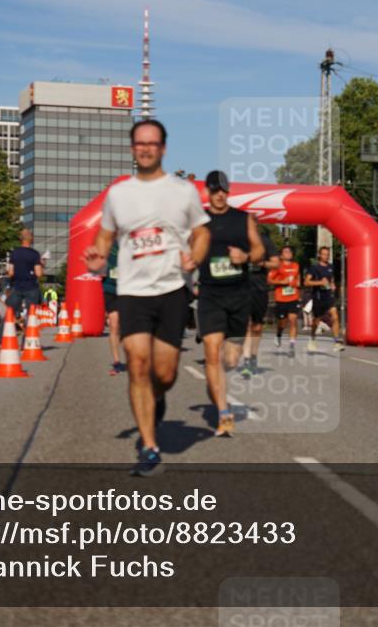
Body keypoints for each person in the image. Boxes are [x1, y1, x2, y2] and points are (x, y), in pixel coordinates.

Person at [85, 119, 210, 477]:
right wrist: (97, 256)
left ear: (163, 148)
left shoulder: (183, 191)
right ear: (132, 149)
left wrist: (195, 256)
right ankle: (150, 447)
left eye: (153, 143)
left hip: (172, 289)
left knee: (165, 373)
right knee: (137, 362)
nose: (146, 148)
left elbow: (201, 233)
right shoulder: (118, 195)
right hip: (133, 291)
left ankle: (158, 397)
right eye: (140, 143)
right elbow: (105, 239)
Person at [198, 170, 264, 436]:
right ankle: (224, 414)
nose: (219, 194)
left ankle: (216, 382)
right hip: (210, 294)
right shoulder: (198, 220)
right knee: (212, 352)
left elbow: (259, 250)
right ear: (208, 192)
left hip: (238, 295)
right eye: (214, 190)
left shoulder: (243, 219)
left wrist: (245, 256)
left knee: (232, 360)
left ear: (228, 191)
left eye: (223, 189)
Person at [241, 227, 280, 378]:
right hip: (242, 288)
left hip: (260, 288)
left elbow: (276, 264)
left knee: (257, 326)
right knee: (246, 325)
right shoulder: (239, 240)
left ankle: (253, 357)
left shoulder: (265, 242)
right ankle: (246, 361)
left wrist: (262, 263)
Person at [303, 246, 345, 352]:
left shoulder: (330, 267)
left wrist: (332, 286)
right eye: (324, 254)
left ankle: (336, 342)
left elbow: (331, 281)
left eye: (327, 254)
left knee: (335, 317)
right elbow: (306, 282)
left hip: (328, 297)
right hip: (318, 297)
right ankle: (312, 338)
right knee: (316, 321)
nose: (326, 256)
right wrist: (319, 283)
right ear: (319, 255)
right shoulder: (314, 268)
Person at [268, 245, 301, 358]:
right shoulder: (277, 266)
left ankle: (292, 345)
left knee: (293, 319)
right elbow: (269, 280)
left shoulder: (296, 266)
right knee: (282, 322)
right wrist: (282, 282)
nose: (288, 253)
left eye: (290, 251)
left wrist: (297, 283)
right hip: (281, 298)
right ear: (281, 255)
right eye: (285, 251)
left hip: (293, 297)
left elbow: (298, 279)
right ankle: (279, 333)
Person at [6, 228, 44, 322]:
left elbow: (10, 273)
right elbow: (39, 274)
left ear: (20, 239)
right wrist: (42, 264)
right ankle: (28, 335)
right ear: (31, 239)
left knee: (9, 313)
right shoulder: (35, 254)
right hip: (31, 287)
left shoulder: (14, 253)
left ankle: (1, 335)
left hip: (17, 286)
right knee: (31, 315)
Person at [102, 243, 124, 375]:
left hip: (129, 288)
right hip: (110, 288)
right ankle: (117, 362)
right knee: (114, 324)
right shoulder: (107, 244)